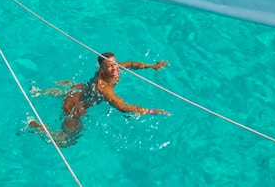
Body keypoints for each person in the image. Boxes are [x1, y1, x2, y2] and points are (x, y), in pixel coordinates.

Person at [27, 53, 169, 147]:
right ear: (102, 69)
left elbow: (131, 64)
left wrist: (151, 66)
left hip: (79, 88)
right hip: (77, 105)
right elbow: (122, 106)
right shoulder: (102, 87)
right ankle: (36, 126)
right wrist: (151, 111)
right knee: (67, 140)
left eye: (115, 64)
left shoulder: (115, 68)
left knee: (74, 90)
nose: (115, 69)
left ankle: (48, 91)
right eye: (110, 67)